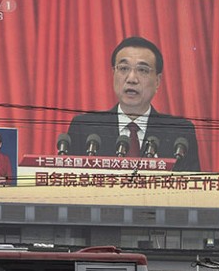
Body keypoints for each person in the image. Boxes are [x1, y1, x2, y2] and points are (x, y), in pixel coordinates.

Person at [65, 36, 200, 172]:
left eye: (142, 70)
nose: (131, 79)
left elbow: (192, 188)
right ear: (113, 74)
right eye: (124, 69)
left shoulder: (180, 133)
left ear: (158, 81)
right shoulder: (85, 128)